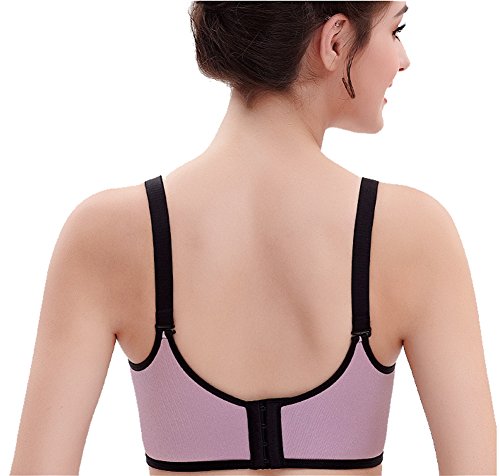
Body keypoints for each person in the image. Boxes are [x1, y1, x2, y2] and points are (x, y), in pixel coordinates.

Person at [10, 2, 496, 475]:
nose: (403, 60)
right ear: (335, 41)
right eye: (396, 30)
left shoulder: (107, 234)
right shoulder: (413, 233)